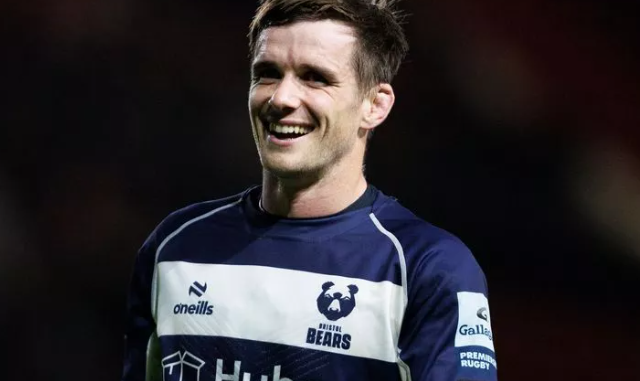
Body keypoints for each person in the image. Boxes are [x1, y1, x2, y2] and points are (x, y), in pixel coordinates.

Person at [121, 1, 498, 380]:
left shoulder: (426, 268)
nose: (281, 98)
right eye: (267, 74)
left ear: (374, 104)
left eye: (315, 77)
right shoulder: (175, 248)